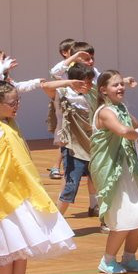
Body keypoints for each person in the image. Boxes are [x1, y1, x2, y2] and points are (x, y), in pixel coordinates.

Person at [0, 58, 79, 274]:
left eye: (17, 102)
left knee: (22, 248)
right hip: (0, 197)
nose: (16, 106)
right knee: (7, 251)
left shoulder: (12, 126)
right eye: (12, 103)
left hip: (21, 196)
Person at [90, 70, 138, 274]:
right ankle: (107, 259)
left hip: (127, 167)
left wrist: (137, 131)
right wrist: (137, 133)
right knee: (123, 215)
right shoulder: (105, 112)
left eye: (121, 84)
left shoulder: (121, 108)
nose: (120, 88)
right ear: (103, 90)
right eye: (115, 85)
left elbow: (133, 125)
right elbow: (122, 131)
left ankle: (129, 257)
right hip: (111, 169)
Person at [49, 63, 98, 217]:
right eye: (86, 81)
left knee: (98, 180)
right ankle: (56, 221)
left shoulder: (92, 94)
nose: (90, 84)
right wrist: (69, 82)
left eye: (91, 81)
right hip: (73, 147)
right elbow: (47, 84)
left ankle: (96, 210)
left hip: (93, 145)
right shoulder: (63, 93)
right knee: (71, 184)